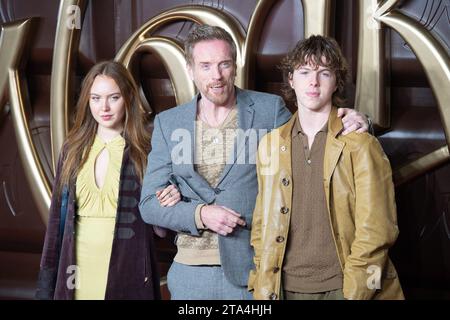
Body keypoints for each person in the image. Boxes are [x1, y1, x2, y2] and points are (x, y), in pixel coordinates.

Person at [139, 25, 369, 300]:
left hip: (253, 272)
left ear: (235, 65)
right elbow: (149, 205)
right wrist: (199, 214)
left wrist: (360, 121)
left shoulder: (267, 110)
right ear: (190, 69)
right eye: (206, 66)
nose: (217, 75)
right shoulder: (169, 122)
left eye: (224, 64)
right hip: (190, 274)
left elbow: (313, 144)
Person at [248, 35, 404, 300]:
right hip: (282, 289)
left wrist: (356, 293)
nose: (313, 82)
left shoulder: (360, 145)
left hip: (343, 288)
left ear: (336, 82)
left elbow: (377, 230)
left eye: (324, 73)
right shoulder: (270, 145)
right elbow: (262, 223)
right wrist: (260, 282)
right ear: (291, 79)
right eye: (304, 72)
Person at [36, 61, 181, 300]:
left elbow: (160, 230)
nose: (104, 107)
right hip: (75, 267)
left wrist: (170, 199)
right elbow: (56, 223)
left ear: (128, 98)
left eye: (113, 97)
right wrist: (45, 286)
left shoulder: (145, 150)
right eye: (95, 98)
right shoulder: (72, 149)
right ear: (87, 101)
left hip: (128, 267)